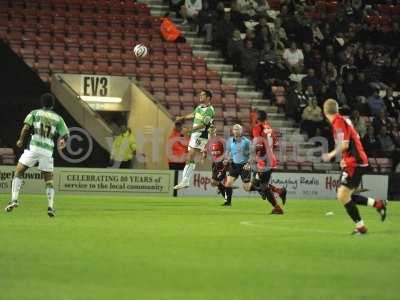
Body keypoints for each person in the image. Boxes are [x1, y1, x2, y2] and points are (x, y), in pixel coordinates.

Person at [322, 99, 388, 235]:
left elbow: (345, 144)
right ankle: (378, 205)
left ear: (325, 111)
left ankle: (361, 227)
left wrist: (331, 154)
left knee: (342, 195)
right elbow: (347, 143)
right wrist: (343, 159)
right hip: (353, 161)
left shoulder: (338, 122)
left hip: (355, 162)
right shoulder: (341, 120)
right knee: (347, 195)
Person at [5, 93, 69, 217]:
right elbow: (66, 134)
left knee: (18, 172)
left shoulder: (34, 113)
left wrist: (21, 140)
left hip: (33, 148)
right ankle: (50, 206)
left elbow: (25, 128)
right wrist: (63, 142)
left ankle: (14, 199)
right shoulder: (58, 118)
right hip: (47, 151)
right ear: (52, 105)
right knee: (49, 180)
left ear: (42, 103)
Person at [174, 90, 215, 190]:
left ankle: (185, 181)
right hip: (195, 135)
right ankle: (185, 181)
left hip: (201, 135)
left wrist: (189, 130)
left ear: (208, 97)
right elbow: (193, 114)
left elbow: (204, 125)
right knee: (189, 158)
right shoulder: (199, 107)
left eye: (202, 95)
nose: (200, 96)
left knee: (191, 155)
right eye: (200, 95)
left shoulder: (210, 110)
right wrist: (182, 118)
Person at [252, 110, 287, 205]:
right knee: (259, 183)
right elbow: (276, 144)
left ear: (257, 118)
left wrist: (254, 157)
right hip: (271, 159)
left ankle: (274, 202)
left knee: (257, 184)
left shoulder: (257, 128)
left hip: (263, 161)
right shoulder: (269, 128)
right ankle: (279, 192)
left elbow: (258, 145)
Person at [222, 124, 252, 206]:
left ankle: (262, 189)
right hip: (234, 165)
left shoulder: (246, 141)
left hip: (244, 166)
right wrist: (226, 159)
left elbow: (252, 154)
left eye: (238, 129)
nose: (236, 130)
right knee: (228, 183)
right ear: (232, 131)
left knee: (247, 188)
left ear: (241, 131)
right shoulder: (230, 140)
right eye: (234, 129)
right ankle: (228, 202)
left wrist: (249, 163)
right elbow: (229, 152)